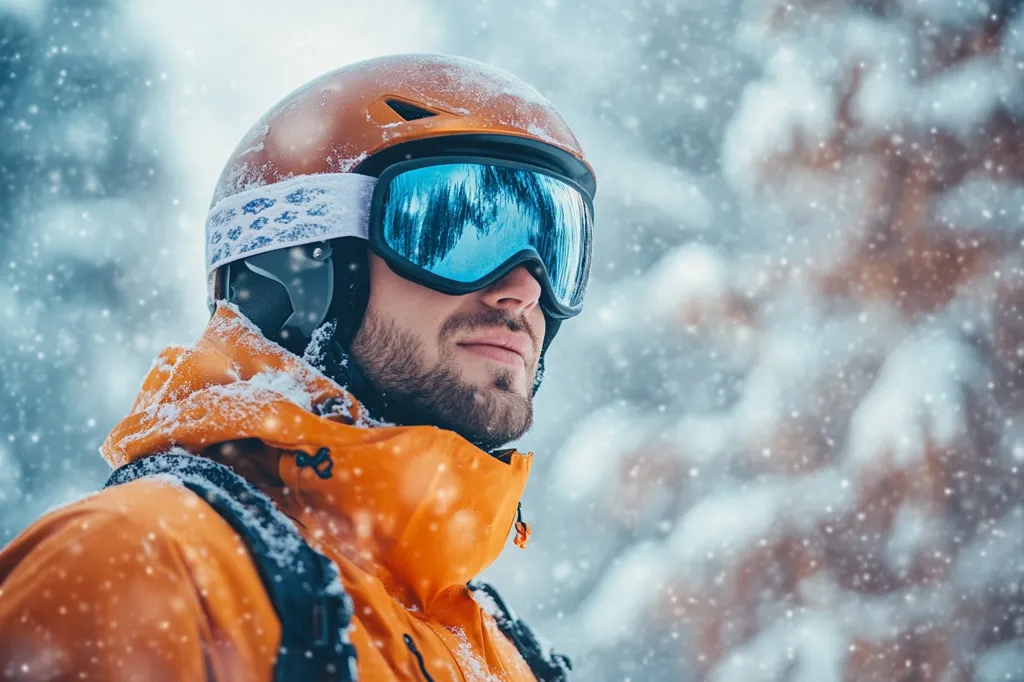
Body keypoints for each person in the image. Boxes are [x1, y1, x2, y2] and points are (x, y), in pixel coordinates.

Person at [0, 53, 596, 682]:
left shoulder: (497, 653)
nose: (525, 290)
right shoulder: (139, 567)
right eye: (454, 229)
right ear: (304, 263)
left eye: (556, 244)